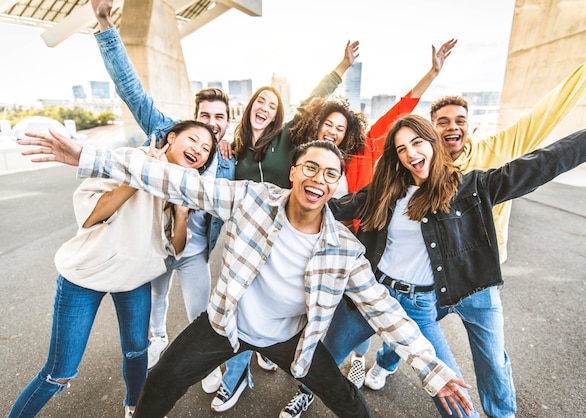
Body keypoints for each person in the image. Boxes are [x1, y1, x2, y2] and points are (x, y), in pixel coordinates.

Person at [19, 136, 477, 418]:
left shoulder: (344, 248)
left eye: (331, 173)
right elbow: (181, 183)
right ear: (295, 172)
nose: (319, 178)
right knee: (159, 385)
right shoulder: (253, 199)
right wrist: (89, 156)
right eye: (311, 167)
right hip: (225, 327)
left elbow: (384, 310)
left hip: (289, 339)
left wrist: (432, 369)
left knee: (349, 403)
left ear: (337, 185)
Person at [323, 111, 586, 417]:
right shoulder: (385, 192)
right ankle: (312, 390)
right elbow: (333, 209)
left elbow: (544, 162)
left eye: (417, 142)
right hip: (377, 296)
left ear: (433, 142)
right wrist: (288, 199)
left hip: (442, 296)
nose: (411, 153)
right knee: (323, 357)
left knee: (463, 389)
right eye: (402, 149)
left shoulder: (472, 187)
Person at [404, 6, 586, 416]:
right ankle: (382, 361)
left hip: (480, 282)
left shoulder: (496, 152)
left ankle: (501, 414)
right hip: (431, 279)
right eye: (442, 121)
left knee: (493, 361)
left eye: (460, 120)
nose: (452, 127)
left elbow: (554, 107)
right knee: (411, 337)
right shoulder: (418, 166)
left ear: (468, 125)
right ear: (431, 129)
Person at [279, 38, 458, 418]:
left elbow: (404, 109)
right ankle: (305, 376)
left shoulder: (366, 151)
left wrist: (433, 73)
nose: (332, 131)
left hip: (360, 250)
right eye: (327, 124)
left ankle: (359, 361)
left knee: (360, 313)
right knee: (321, 318)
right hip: (316, 242)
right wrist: (340, 66)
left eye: (340, 127)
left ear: (349, 133)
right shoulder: (305, 153)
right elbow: (309, 101)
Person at [9, 120, 216, 418]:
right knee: (59, 374)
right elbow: (92, 214)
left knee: (136, 352)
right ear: (171, 138)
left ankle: (134, 407)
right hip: (85, 275)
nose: (198, 149)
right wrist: (137, 178)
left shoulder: (180, 189)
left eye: (206, 149)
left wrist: (182, 214)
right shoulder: (131, 159)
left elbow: (177, 248)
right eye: (193, 140)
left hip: (135, 278)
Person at [209, 41, 362, 413]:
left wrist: (342, 65)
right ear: (248, 109)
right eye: (259, 103)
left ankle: (265, 352)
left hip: (288, 233)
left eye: (272, 105)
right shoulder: (236, 147)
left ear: (278, 114)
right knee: (243, 304)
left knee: (276, 304)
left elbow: (315, 98)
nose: (264, 109)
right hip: (248, 238)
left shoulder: (287, 137)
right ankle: (234, 379)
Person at [91, 0, 232, 392]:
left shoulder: (228, 163)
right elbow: (130, 90)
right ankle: (157, 340)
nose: (211, 124)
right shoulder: (166, 131)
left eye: (219, 117)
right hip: (155, 242)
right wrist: (105, 24)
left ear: (227, 122)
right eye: (205, 116)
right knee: (156, 301)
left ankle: (205, 361)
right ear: (194, 116)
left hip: (194, 249)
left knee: (201, 311)